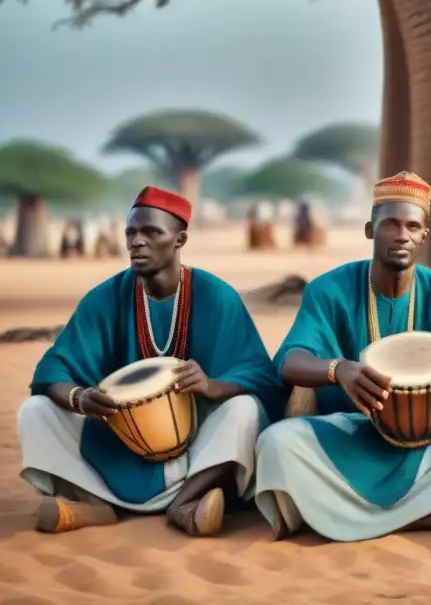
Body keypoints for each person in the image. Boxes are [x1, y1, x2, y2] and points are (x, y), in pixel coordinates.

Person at [254, 171, 431, 543]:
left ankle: (346, 519)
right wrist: (337, 369)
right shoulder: (330, 290)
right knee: (275, 444)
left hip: (430, 441)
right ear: (370, 230)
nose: (402, 234)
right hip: (350, 434)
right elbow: (289, 361)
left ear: (425, 234)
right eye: (390, 223)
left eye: (412, 225)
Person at [18, 186, 285, 536]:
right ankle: (94, 505)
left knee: (245, 410)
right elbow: (54, 368)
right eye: (131, 232)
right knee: (35, 411)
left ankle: (183, 505)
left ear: (180, 239)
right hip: (116, 443)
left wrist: (212, 385)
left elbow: (259, 373)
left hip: (195, 449)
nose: (137, 242)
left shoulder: (216, 296)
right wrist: (78, 397)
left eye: (151, 232)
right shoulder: (106, 298)